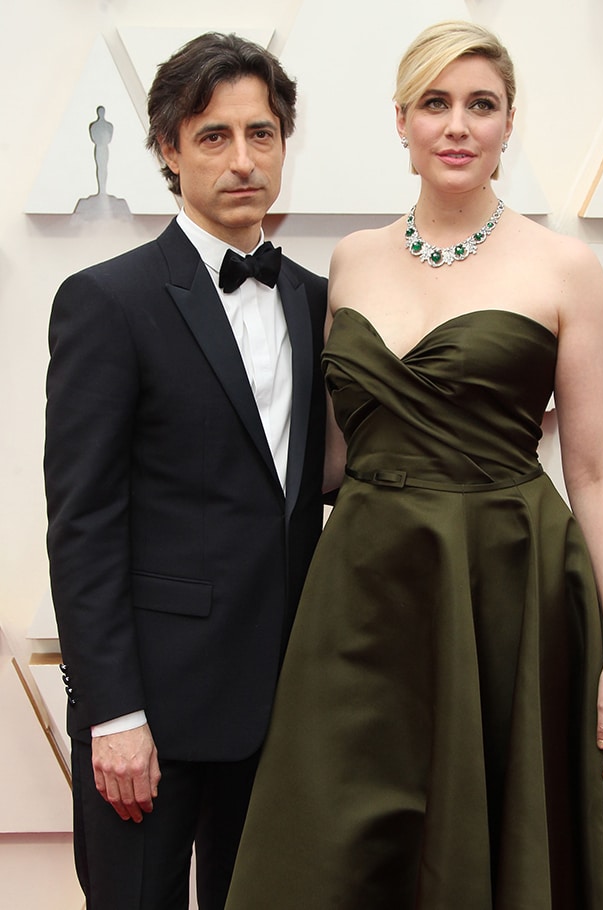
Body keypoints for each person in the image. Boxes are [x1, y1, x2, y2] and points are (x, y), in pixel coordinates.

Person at [226, 19, 603, 909]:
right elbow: (333, 453)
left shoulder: (566, 269)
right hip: (366, 593)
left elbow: (596, 472)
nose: (457, 125)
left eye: (480, 105)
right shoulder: (351, 260)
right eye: (435, 103)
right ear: (401, 122)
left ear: (508, 125)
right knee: (339, 844)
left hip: (508, 585)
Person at [44, 32, 327, 910]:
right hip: (149, 720)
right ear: (168, 148)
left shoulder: (317, 300)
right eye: (213, 136)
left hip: (279, 710)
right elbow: (82, 525)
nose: (243, 160)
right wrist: (115, 715)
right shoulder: (107, 300)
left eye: (262, 134)